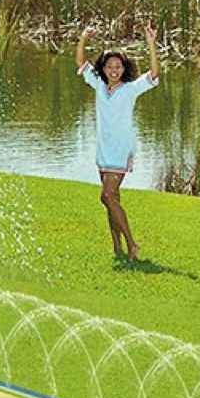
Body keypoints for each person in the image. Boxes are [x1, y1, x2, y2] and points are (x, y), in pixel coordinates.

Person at [76, 23, 161, 261]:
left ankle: (132, 245)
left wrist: (151, 43)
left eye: (118, 66)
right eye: (109, 66)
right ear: (103, 68)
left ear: (124, 69)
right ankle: (117, 246)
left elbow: (154, 74)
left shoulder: (131, 89)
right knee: (111, 200)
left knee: (107, 196)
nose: (114, 70)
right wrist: (84, 37)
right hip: (103, 150)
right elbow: (81, 62)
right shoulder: (100, 86)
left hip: (121, 150)